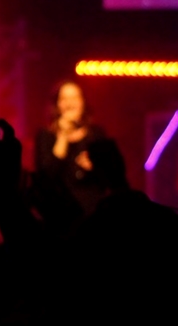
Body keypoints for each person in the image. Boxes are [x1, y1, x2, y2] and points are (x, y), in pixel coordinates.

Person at [29, 80, 122, 232]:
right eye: (64, 98)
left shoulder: (96, 134)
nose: (69, 103)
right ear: (57, 104)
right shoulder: (45, 136)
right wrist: (63, 136)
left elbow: (113, 178)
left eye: (74, 97)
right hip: (58, 218)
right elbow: (45, 176)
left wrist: (94, 166)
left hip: (93, 215)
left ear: (83, 101)